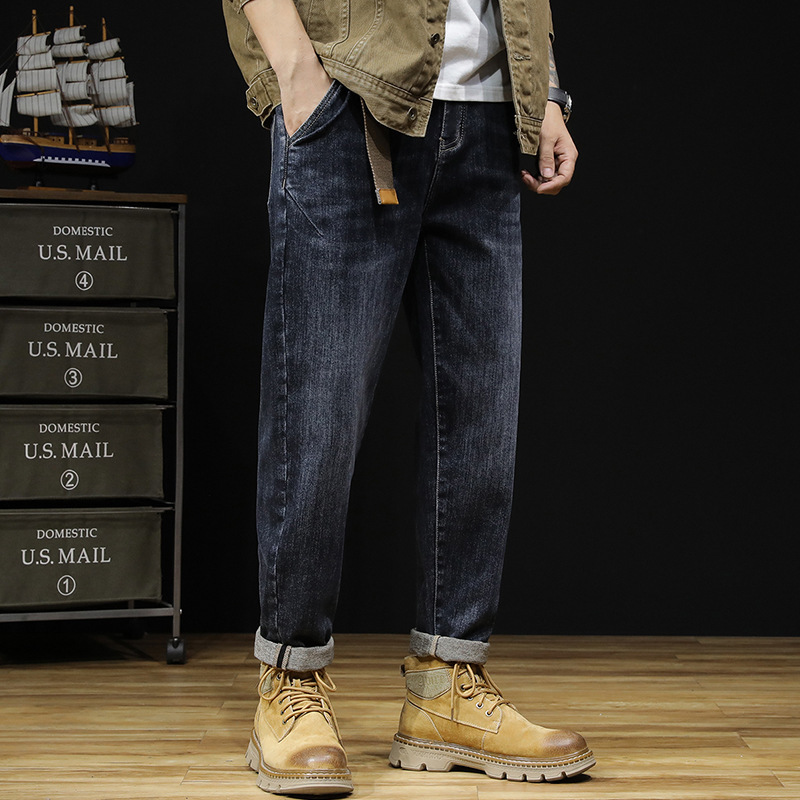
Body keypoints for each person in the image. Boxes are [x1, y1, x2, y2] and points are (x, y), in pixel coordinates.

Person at [222, 0, 593, 794]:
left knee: (480, 420)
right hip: (351, 98)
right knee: (317, 413)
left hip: (492, 118)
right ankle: (290, 676)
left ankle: (446, 686)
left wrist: (546, 92)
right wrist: (295, 68)